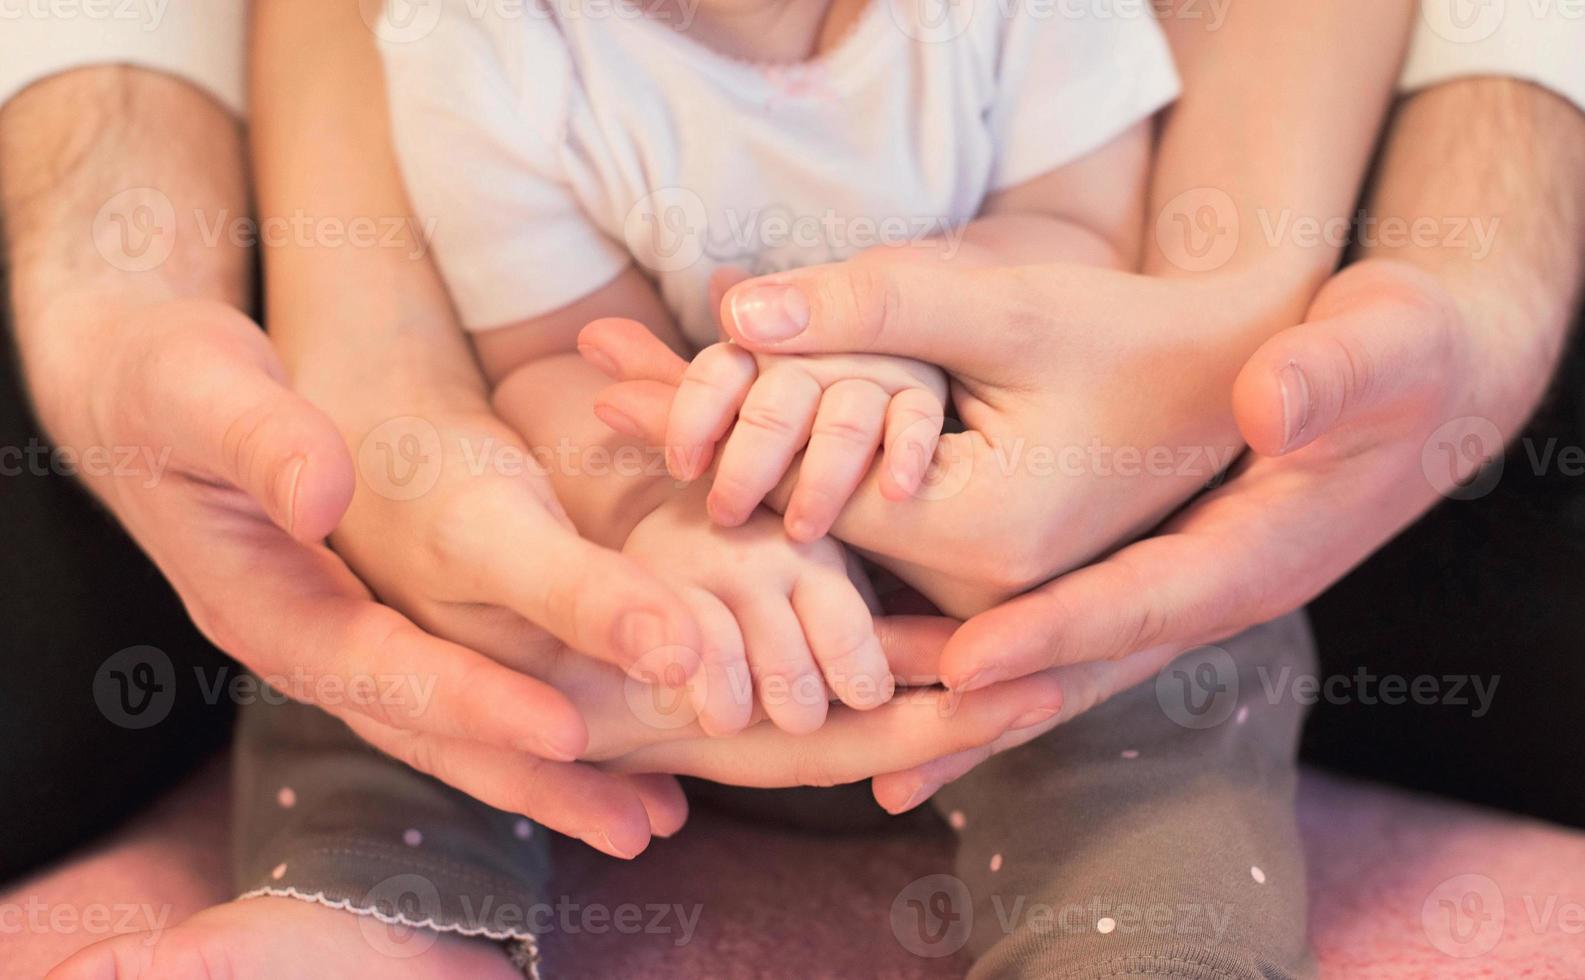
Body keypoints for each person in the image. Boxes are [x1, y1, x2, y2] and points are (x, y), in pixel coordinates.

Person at [3, 0, 1581, 973]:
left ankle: (1146, 940)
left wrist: (902, 357)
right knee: (387, 616)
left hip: (999, 524)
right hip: (654, 565)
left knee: (1183, 664)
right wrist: (648, 528)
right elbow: (550, 350)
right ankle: (377, 912)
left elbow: (1076, 234)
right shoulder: (491, 47)